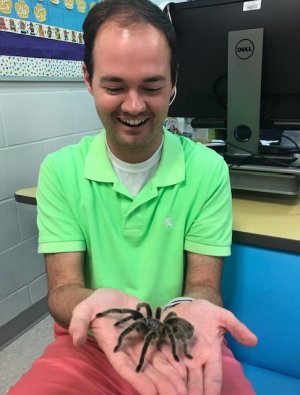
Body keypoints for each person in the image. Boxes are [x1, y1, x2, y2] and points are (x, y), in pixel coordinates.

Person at [9, 0, 257, 394]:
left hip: (183, 335)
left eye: (152, 86)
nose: (135, 105)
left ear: (174, 80)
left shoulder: (208, 170)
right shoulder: (60, 172)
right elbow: (63, 291)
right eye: (114, 86)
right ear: (88, 79)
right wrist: (96, 304)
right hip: (94, 341)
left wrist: (193, 309)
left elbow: (203, 285)